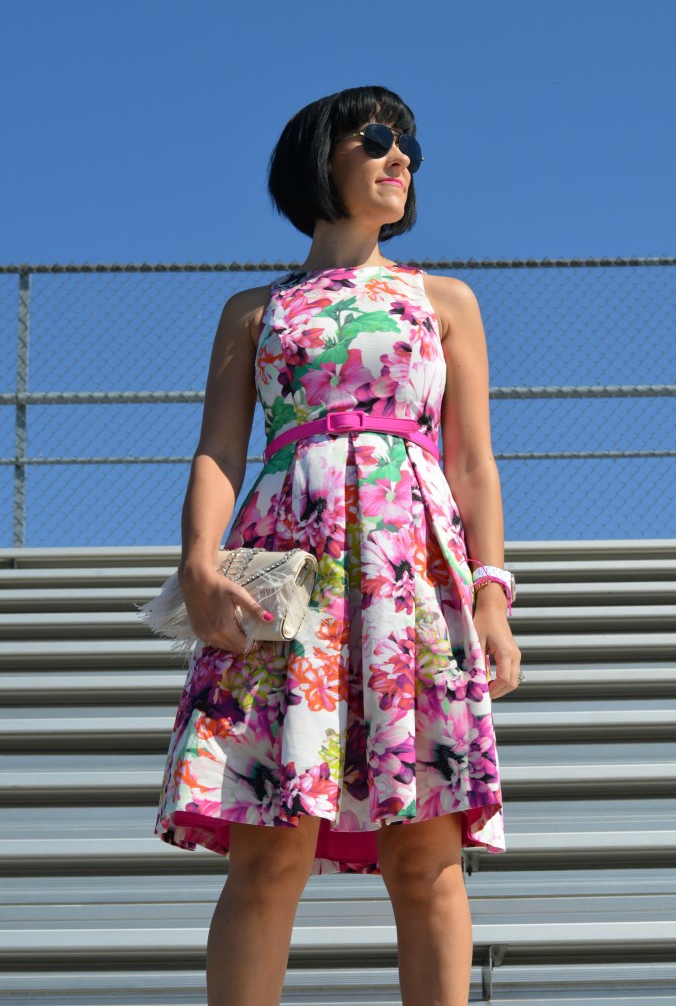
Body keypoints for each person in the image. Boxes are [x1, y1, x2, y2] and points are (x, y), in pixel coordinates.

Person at [154, 84, 522, 1006]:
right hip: (284, 570)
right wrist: (199, 564)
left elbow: (473, 463)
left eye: (411, 146)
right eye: (380, 138)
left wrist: (491, 591)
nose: (403, 157)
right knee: (268, 846)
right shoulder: (255, 309)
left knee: (427, 850)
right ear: (322, 156)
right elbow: (218, 449)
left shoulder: (445, 301)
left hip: (413, 569)